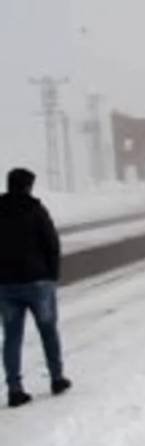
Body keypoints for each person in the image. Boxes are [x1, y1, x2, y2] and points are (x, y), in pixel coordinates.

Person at [0, 168, 71, 408]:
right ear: (27, 186)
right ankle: (57, 378)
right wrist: (52, 276)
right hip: (37, 282)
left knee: (11, 337)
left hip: (6, 285)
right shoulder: (36, 211)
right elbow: (52, 243)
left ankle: (14, 389)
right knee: (48, 331)